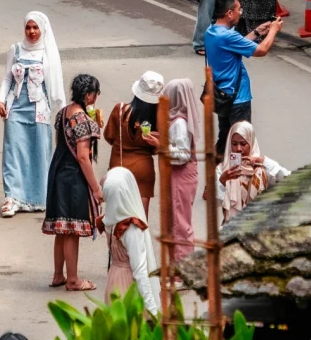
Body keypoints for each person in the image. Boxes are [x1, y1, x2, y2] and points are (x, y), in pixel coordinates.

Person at [0, 12, 65, 217]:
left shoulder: (48, 53)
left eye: (36, 28)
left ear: (43, 29)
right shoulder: (15, 50)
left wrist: (61, 112)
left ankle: (38, 197)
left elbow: (55, 83)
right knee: (13, 151)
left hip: (39, 109)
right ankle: (12, 197)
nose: (32, 32)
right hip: (15, 107)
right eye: (28, 27)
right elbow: (7, 79)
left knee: (39, 152)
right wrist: (1, 99)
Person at [43, 73, 103, 292]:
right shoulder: (82, 121)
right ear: (88, 95)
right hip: (72, 179)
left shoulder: (63, 113)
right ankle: (73, 279)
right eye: (95, 93)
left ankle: (59, 274)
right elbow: (83, 157)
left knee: (61, 229)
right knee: (71, 230)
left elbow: (62, 142)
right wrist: (95, 188)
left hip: (57, 172)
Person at [204, 0, 282, 154]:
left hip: (222, 95)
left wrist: (257, 32)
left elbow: (236, 45)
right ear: (229, 13)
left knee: (225, 139)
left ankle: (218, 172)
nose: (241, 12)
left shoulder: (212, 32)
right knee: (242, 143)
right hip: (237, 99)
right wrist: (273, 31)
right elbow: (261, 50)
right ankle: (238, 175)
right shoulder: (228, 35)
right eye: (239, 9)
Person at [103, 72, 163, 214]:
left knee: (117, 219)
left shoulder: (119, 110)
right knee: (140, 220)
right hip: (144, 170)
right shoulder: (157, 119)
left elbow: (109, 136)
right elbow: (156, 149)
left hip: (119, 166)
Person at [102, 167, 159, 314]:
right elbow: (140, 270)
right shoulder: (130, 227)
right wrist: (153, 310)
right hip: (128, 285)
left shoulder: (108, 219)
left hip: (112, 280)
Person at [165, 76, 204, 259]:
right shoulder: (180, 119)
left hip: (180, 176)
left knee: (180, 223)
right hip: (183, 176)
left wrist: (161, 146)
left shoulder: (179, 123)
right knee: (178, 220)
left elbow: (182, 154)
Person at [218, 121, 290, 220]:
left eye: (243, 144)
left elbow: (287, 179)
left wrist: (264, 161)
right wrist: (223, 181)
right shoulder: (223, 169)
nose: (238, 149)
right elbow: (214, 202)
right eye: (234, 144)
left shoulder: (262, 167)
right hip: (232, 228)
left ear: (251, 142)